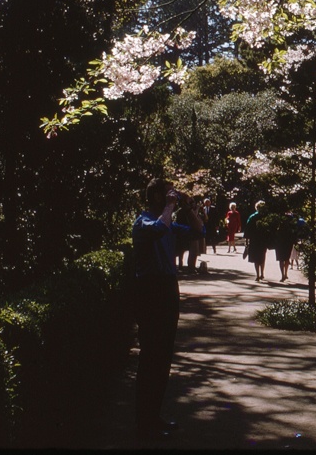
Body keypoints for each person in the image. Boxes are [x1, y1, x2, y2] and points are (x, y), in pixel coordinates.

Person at [132, 178, 203, 440]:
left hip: (168, 288)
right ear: (155, 196)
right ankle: (144, 421)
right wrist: (171, 206)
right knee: (150, 357)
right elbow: (160, 228)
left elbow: (198, 231)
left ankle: (154, 416)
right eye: (167, 193)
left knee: (163, 357)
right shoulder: (143, 221)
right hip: (150, 291)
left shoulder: (168, 221)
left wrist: (189, 207)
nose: (171, 196)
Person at [244, 200, 271, 281]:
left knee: (255, 257)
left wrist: (247, 241)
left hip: (254, 239)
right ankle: (262, 273)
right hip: (263, 239)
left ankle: (257, 275)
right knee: (262, 256)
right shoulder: (265, 217)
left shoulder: (252, 217)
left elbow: (247, 230)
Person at [273, 211, 298, 282]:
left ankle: (283, 275)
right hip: (287, 241)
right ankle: (285, 274)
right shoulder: (290, 220)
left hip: (280, 242)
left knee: (281, 259)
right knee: (286, 258)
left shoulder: (278, 220)